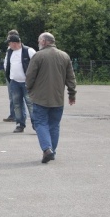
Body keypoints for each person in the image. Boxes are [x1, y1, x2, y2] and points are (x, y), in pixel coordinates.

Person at [26, 32, 77, 163]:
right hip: (58, 98)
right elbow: (70, 78)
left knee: (41, 123)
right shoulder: (64, 56)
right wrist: (72, 94)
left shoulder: (38, 56)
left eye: (39, 41)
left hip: (40, 98)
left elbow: (30, 76)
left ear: (43, 42)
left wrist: (29, 89)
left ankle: (47, 149)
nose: (38, 44)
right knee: (54, 125)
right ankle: (51, 151)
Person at [3, 34, 35, 133]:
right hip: (14, 82)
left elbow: (37, 63)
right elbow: (6, 65)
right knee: (17, 104)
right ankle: (20, 124)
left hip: (27, 82)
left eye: (10, 43)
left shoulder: (29, 51)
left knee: (30, 104)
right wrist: (10, 78)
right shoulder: (9, 52)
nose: (9, 45)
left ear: (15, 43)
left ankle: (36, 125)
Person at [3, 29, 19, 122]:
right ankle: (13, 114)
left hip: (14, 76)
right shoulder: (9, 49)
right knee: (12, 96)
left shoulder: (17, 50)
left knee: (15, 96)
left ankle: (15, 115)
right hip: (9, 75)